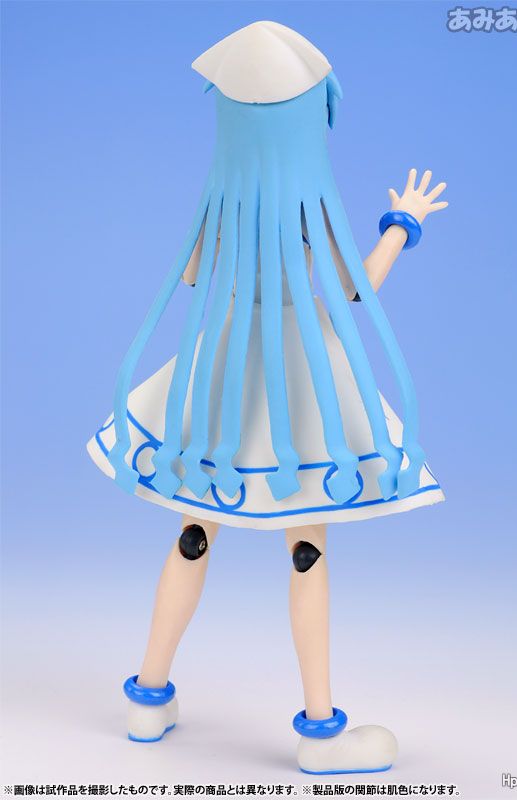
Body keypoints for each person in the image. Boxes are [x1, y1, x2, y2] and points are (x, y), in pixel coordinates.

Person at [87, 21, 448, 774]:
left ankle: (147, 701)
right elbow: (354, 290)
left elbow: (193, 276)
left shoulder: (221, 207)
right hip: (300, 375)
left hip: (223, 365)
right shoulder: (310, 211)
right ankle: (320, 734)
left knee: (194, 531)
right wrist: (402, 224)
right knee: (307, 550)